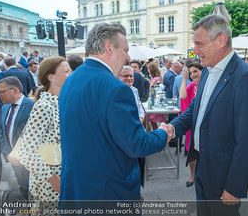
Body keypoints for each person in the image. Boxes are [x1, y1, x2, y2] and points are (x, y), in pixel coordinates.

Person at [58, 23, 172, 207]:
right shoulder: (117, 88)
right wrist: (163, 134)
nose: (128, 57)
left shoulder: (70, 80)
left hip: (76, 190)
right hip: (108, 193)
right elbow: (136, 144)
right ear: (109, 48)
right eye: (125, 50)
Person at [168, 14, 248, 216]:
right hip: (202, 166)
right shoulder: (208, 71)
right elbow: (195, 109)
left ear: (221, 40)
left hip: (224, 176)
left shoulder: (246, 77)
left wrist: (235, 186)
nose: (195, 50)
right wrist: (171, 128)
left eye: (199, 43)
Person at [19, 56, 71, 214]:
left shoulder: (60, 102)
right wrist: (52, 178)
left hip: (62, 179)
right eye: (67, 71)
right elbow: (26, 152)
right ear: (51, 77)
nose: (72, 74)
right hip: (49, 186)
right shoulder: (44, 106)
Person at [0, 76, 33, 194]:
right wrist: (7, 154)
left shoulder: (32, 106)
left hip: (31, 164)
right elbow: (2, 132)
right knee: (23, 190)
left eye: (1, 92)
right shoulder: (4, 107)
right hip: (14, 162)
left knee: (34, 195)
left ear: (15, 91)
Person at [179, 62, 203, 187]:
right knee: (191, 150)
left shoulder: (207, 85)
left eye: (195, 71)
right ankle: (192, 174)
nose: (193, 74)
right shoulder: (192, 86)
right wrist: (184, 78)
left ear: (202, 71)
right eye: (191, 72)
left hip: (205, 123)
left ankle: (203, 176)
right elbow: (182, 96)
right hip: (192, 123)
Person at [147, 62, 164, 130]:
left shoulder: (155, 79)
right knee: (152, 121)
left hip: (153, 99)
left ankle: (152, 133)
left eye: (148, 69)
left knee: (151, 120)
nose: (148, 70)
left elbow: (150, 89)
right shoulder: (157, 78)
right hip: (155, 99)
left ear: (151, 69)